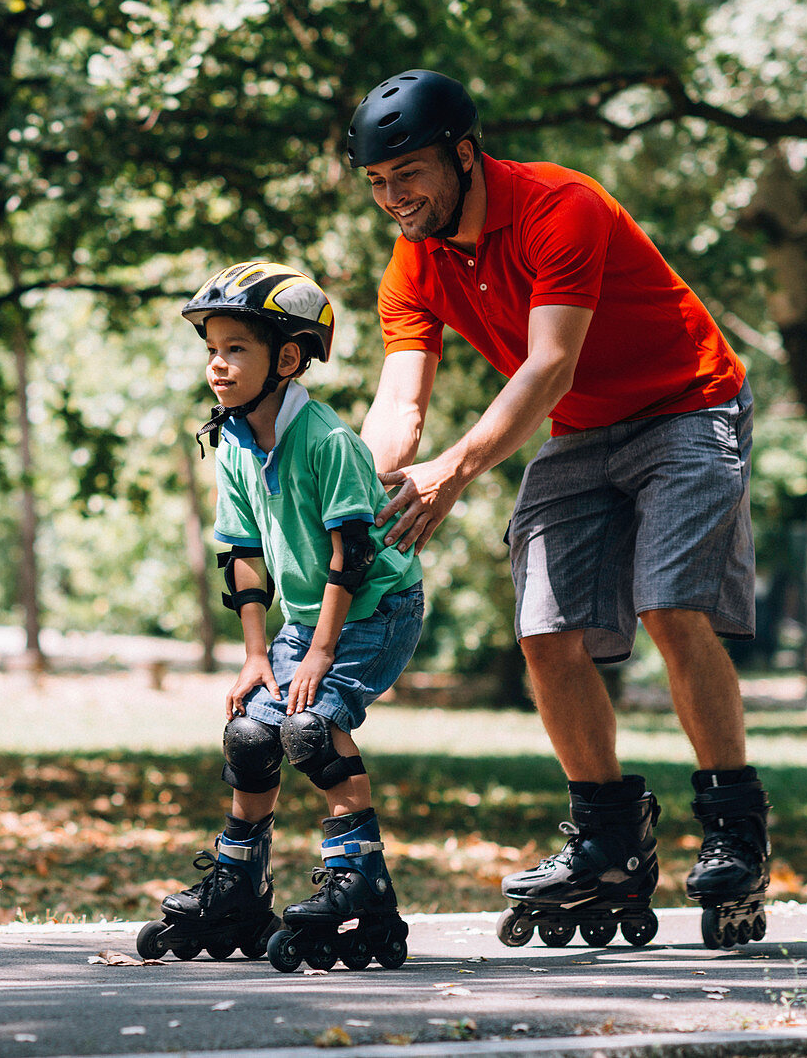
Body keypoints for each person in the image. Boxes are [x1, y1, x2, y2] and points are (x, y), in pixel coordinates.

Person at [347, 70, 771, 950]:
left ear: (464, 154)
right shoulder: (412, 261)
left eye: (411, 174)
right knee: (544, 629)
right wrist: (350, 496)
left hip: (686, 404)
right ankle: (610, 840)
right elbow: (400, 405)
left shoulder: (559, 206)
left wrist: (456, 472)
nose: (396, 198)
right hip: (585, 430)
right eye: (379, 182)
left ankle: (734, 826)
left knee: (669, 603)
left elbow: (548, 366)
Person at [137, 261, 423, 972]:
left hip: (376, 608)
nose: (218, 365)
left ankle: (362, 881)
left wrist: (320, 653)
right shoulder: (234, 442)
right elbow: (240, 552)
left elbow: (351, 555)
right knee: (251, 735)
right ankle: (239, 885)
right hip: (306, 617)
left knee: (310, 729)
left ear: (287, 358)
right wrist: (256, 653)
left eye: (237, 349)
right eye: (212, 349)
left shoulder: (327, 441)